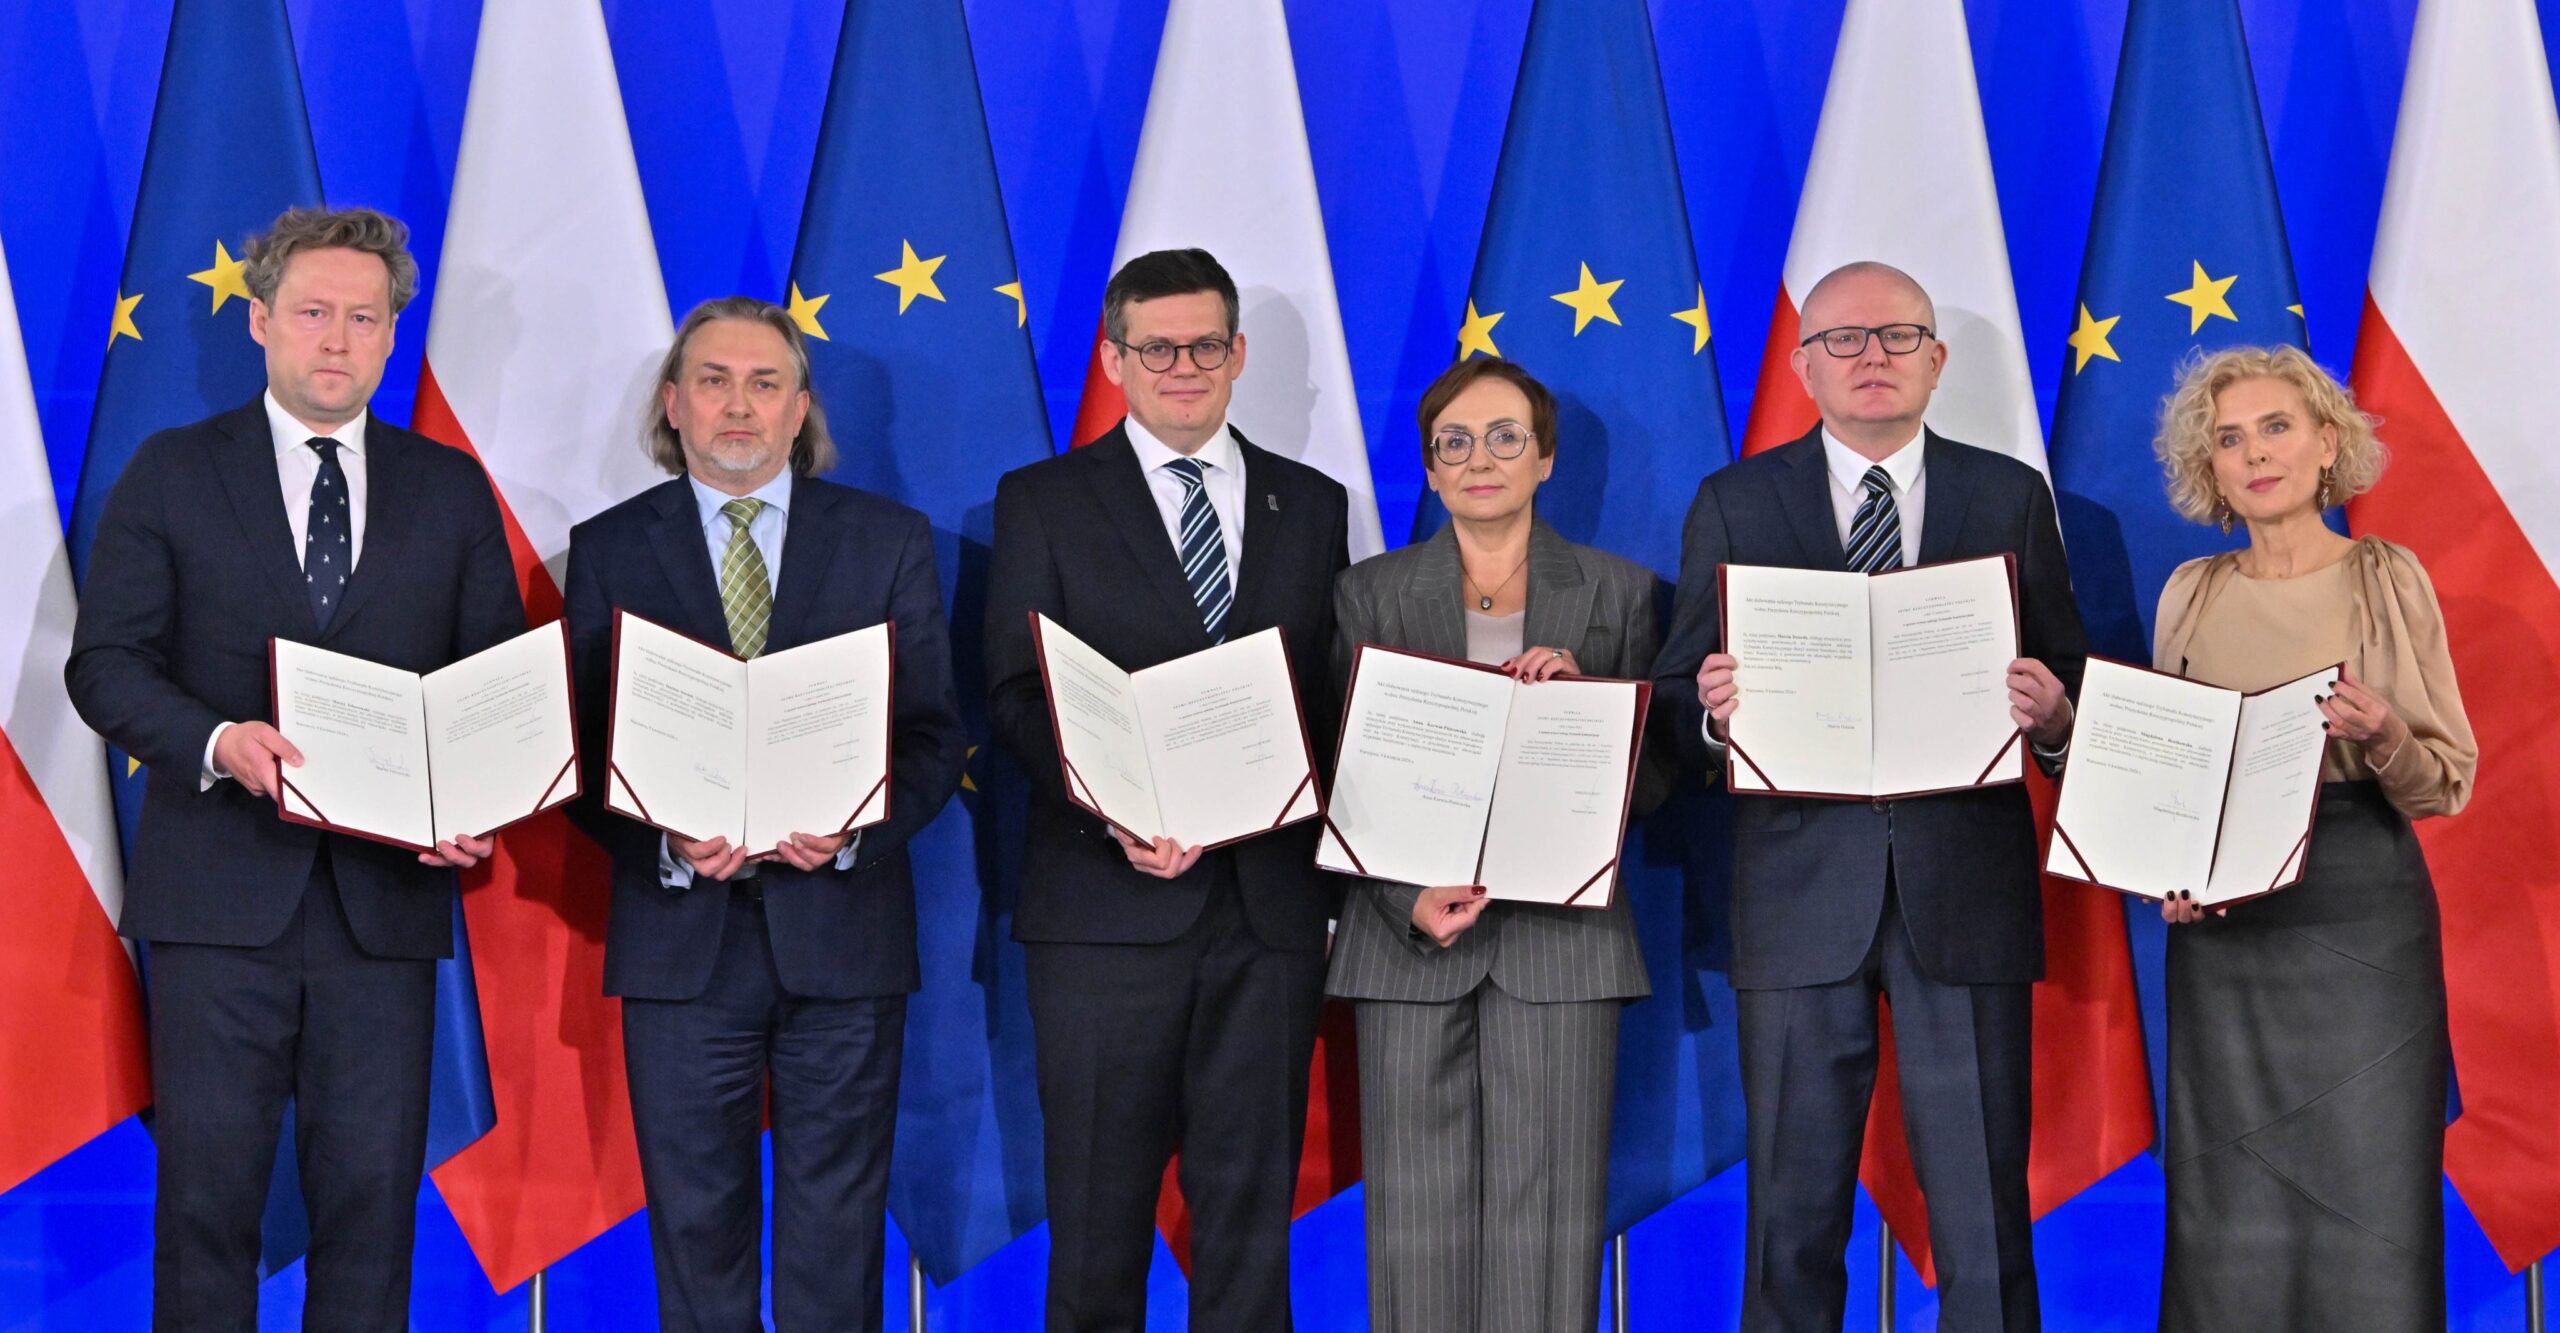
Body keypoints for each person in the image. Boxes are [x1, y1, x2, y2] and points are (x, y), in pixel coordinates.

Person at [64, 206, 522, 1327]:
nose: (337, 339)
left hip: (387, 904)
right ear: (261, 319)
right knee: (207, 1207)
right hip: (221, 901)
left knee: (372, 1210)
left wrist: (469, 804)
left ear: (389, 337)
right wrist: (221, 743)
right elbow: (106, 667)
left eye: (364, 319)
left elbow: (496, 683)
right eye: (314, 312)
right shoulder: (172, 470)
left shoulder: (447, 488)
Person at [1652, 261, 2085, 1331]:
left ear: (1937, 360)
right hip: (1798, 897)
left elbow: (2070, 677)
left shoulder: (2008, 494)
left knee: (1984, 1213)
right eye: (1842, 340)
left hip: (1965, 891)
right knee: (1791, 1217)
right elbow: (1669, 698)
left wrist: (2055, 717)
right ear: (1803, 368)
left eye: (1897, 337)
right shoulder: (1735, 500)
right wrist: (1709, 709)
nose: (1871, 358)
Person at [559, 297, 966, 1330]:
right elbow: (576, 748)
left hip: (842, 935)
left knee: (838, 1236)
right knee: (696, 1235)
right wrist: (658, 838)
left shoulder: (886, 539)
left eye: (763, 383)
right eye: (712, 380)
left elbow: (928, 736)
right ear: (672, 403)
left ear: (799, 410)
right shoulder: (606, 548)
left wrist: (856, 832)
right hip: (679, 937)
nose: (737, 405)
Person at [983, 248, 1349, 1332]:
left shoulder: (1313, 503)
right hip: (1104, 915)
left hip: (1265, 914)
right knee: (1098, 1227)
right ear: (1114, 359)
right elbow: (1014, 691)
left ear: (1237, 356)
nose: (1181, 366)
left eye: (1203, 346)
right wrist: (1116, 811)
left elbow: (1328, 699)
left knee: (1248, 1227)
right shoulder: (1041, 500)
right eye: (1156, 348)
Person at [1325, 358, 1666, 1332]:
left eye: (1505, 436)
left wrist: (1588, 710)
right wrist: (1404, 899)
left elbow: (1653, 786)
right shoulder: (1368, 594)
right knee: (1412, 1229)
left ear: (1546, 457)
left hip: (1563, 945)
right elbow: (1346, 767)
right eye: (1455, 443)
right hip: (1407, 941)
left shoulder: (1622, 594)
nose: (1482, 458)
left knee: (1549, 1230)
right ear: (1430, 471)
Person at [2145, 346, 2474, 1331]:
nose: (2254, 455)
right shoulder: (2188, 590)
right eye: (2229, 438)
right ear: (2209, 465)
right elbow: (2175, 778)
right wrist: (2172, 872)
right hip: (2224, 936)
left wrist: (2379, 736)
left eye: (2275, 428)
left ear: (2326, 445)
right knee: (2225, 1204)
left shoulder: (2385, 576)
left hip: (2360, 913)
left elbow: (2443, 778)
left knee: (2370, 1196)